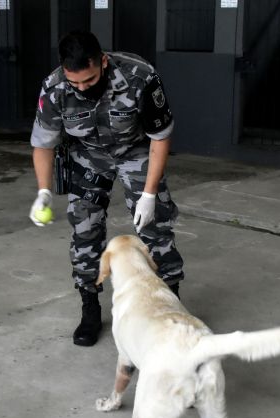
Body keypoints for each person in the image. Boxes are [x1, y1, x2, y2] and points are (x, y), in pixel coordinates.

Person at [29, 30, 184, 347]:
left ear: (102, 61)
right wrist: (43, 191)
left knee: (155, 226)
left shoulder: (139, 75)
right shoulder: (55, 87)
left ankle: (171, 305)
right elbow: (43, 144)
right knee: (84, 229)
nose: (83, 88)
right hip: (88, 155)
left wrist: (150, 194)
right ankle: (90, 307)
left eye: (89, 80)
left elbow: (160, 136)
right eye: (76, 84)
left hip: (137, 151)